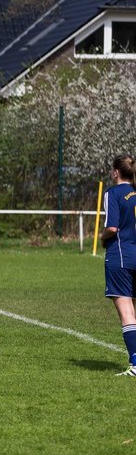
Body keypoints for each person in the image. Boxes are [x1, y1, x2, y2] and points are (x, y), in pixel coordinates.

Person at [100, 154, 136, 377]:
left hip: (121, 256)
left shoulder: (112, 193)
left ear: (115, 172)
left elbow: (112, 227)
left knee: (126, 313)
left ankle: (135, 363)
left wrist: (103, 237)